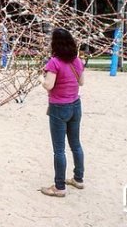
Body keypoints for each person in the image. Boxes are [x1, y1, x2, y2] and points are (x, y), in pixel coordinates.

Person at [40, 28, 85, 198]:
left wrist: (41, 80)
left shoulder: (54, 62)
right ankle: (78, 179)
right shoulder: (77, 61)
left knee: (59, 150)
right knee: (76, 144)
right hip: (75, 105)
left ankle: (59, 187)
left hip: (59, 108)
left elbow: (49, 85)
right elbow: (81, 82)